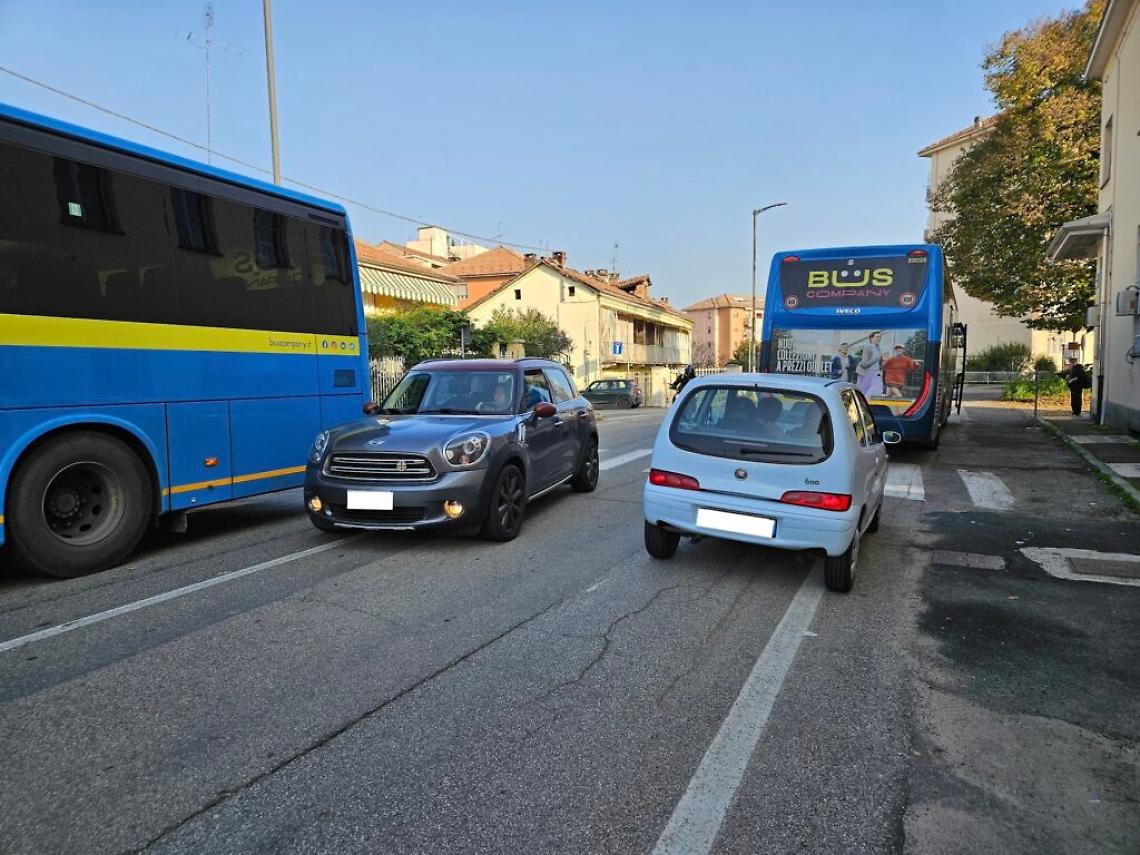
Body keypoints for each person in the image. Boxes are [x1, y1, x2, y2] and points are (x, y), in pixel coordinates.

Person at [856, 331, 884, 397]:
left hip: (875, 373)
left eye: (880, 337)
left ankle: (869, 404)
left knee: (877, 388)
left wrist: (881, 368)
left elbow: (879, 362)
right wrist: (876, 359)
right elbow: (864, 364)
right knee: (863, 391)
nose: (879, 339)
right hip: (866, 373)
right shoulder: (868, 347)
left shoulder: (878, 348)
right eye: (877, 337)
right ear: (871, 338)